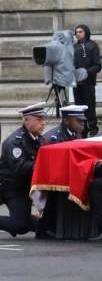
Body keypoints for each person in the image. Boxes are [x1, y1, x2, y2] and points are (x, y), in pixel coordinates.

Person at [0, 102, 47, 237]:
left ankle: (45, 225)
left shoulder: (39, 139)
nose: (43, 123)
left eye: (43, 119)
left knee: (37, 225)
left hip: (25, 189)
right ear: (26, 120)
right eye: (39, 119)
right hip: (10, 188)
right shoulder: (15, 142)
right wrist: (43, 167)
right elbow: (19, 168)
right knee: (19, 226)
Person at [73, 24, 102, 136]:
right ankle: (82, 128)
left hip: (88, 83)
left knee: (89, 106)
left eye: (80, 31)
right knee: (78, 107)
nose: (77, 34)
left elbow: (97, 65)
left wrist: (85, 72)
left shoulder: (92, 46)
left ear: (86, 32)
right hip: (76, 83)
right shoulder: (74, 47)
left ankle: (93, 128)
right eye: (76, 32)